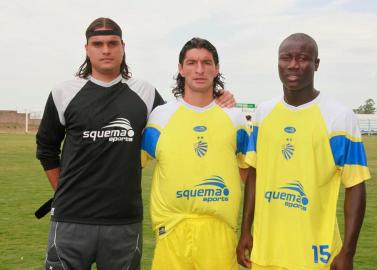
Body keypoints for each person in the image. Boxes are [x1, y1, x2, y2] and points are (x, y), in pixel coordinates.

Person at [36, 18, 234, 270]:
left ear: (123, 46)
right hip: (71, 220)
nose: (106, 50)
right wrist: (63, 192)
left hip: (123, 223)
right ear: (87, 49)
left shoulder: (144, 93)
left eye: (112, 43)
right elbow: (46, 148)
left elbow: (181, 117)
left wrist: (218, 99)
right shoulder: (64, 92)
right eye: (98, 44)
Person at [237, 33, 371, 270]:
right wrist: (245, 230)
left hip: (315, 256)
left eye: (303, 58)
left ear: (316, 64)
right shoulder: (263, 114)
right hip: (265, 253)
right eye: (286, 58)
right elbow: (254, 174)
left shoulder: (339, 117)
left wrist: (348, 252)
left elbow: (356, 185)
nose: (293, 65)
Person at [141, 37, 249, 270]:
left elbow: (248, 174)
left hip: (219, 232)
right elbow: (130, 167)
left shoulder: (235, 118)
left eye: (207, 62)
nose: (199, 69)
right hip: (172, 231)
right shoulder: (160, 117)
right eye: (191, 62)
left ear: (216, 69)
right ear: (180, 69)